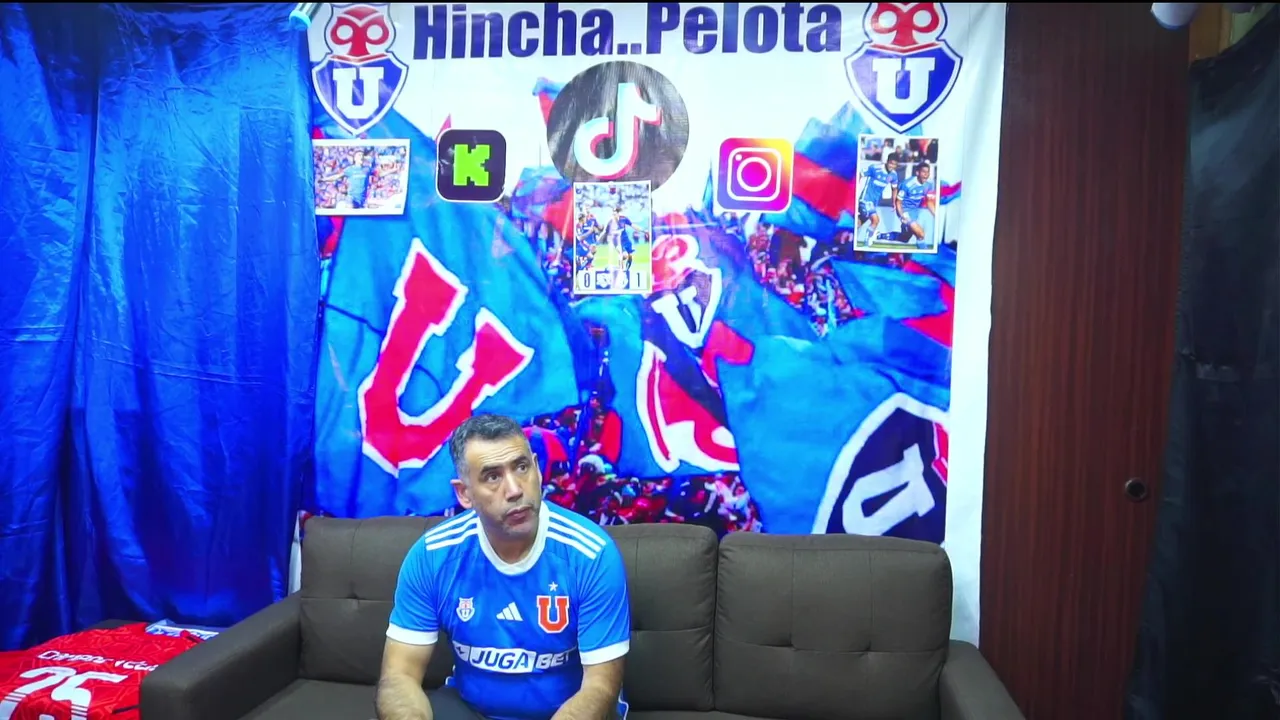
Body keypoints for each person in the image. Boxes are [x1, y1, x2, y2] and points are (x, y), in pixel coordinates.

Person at [376, 414, 631, 720]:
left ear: (537, 469)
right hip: (472, 708)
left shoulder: (591, 554)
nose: (514, 490)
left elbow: (600, 688)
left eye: (521, 467)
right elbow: (399, 676)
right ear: (464, 493)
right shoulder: (433, 556)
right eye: (492, 477)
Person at [856, 154, 900, 244]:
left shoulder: (894, 175)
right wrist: (856, 188)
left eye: (895, 165)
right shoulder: (875, 168)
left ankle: (849, 234)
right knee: (875, 220)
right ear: (887, 161)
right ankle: (867, 242)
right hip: (865, 199)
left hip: (874, 202)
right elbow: (860, 174)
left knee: (859, 222)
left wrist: (894, 202)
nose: (892, 166)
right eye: (891, 163)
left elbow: (894, 188)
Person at [894, 162, 938, 246]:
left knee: (905, 238)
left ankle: (878, 236)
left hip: (914, 212)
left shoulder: (929, 185)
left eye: (928, 172)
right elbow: (898, 202)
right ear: (917, 173)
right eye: (923, 172)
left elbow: (929, 202)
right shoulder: (907, 184)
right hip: (904, 210)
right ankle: (924, 252)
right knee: (921, 234)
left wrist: (936, 215)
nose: (926, 175)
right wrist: (903, 216)